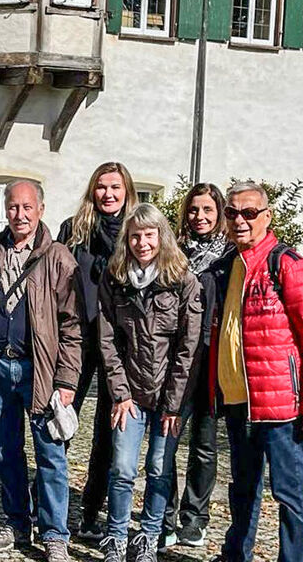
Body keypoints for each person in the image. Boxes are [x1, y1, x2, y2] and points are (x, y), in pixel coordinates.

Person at [0, 179, 82, 562]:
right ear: (6, 210)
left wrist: (66, 380)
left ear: (41, 210)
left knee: (50, 453)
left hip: (42, 369)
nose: (19, 214)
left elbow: (72, 325)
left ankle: (54, 534)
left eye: (27, 207)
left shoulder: (59, 258)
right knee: (6, 451)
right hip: (0, 365)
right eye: (13, 207)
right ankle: (17, 523)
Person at [98, 203, 202, 562]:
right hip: (130, 394)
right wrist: (120, 393)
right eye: (135, 236)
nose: (143, 243)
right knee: (123, 468)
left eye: (149, 235)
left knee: (159, 467)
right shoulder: (116, 279)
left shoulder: (183, 280)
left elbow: (188, 347)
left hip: (169, 398)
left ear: (162, 236)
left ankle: (148, 535)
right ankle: (115, 537)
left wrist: (173, 403)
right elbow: (107, 339)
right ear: (127, 240)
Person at [207, 182, 303, 562]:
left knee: (291, 493)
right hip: (238, 400)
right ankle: (235, 555)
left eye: (249, 213)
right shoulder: (230, 265)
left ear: (267, 216)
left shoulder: (286, 263)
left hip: (280, 405)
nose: (239, 220)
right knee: (242, 488)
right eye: (232, 213)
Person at [57, 162, 137, 541]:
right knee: (61, 421)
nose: (108, 194)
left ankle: (91, 511)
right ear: (93, 190)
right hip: (78, 338)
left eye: (115, 187)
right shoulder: (74, 231)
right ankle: (52, 508)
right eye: (102, 187)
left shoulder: (137, 233)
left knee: (109, 430)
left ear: (127, 191)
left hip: (118, 344)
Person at [161, 183, 231, 550]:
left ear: (218, 214)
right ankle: (165, 516)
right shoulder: (172, 254)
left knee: (203, 445)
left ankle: (195, 518)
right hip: (175, 362)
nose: (199, 217)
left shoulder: (228, 258)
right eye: (193, 210)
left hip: (211, 360)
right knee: (167, 442)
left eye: (207, 210)